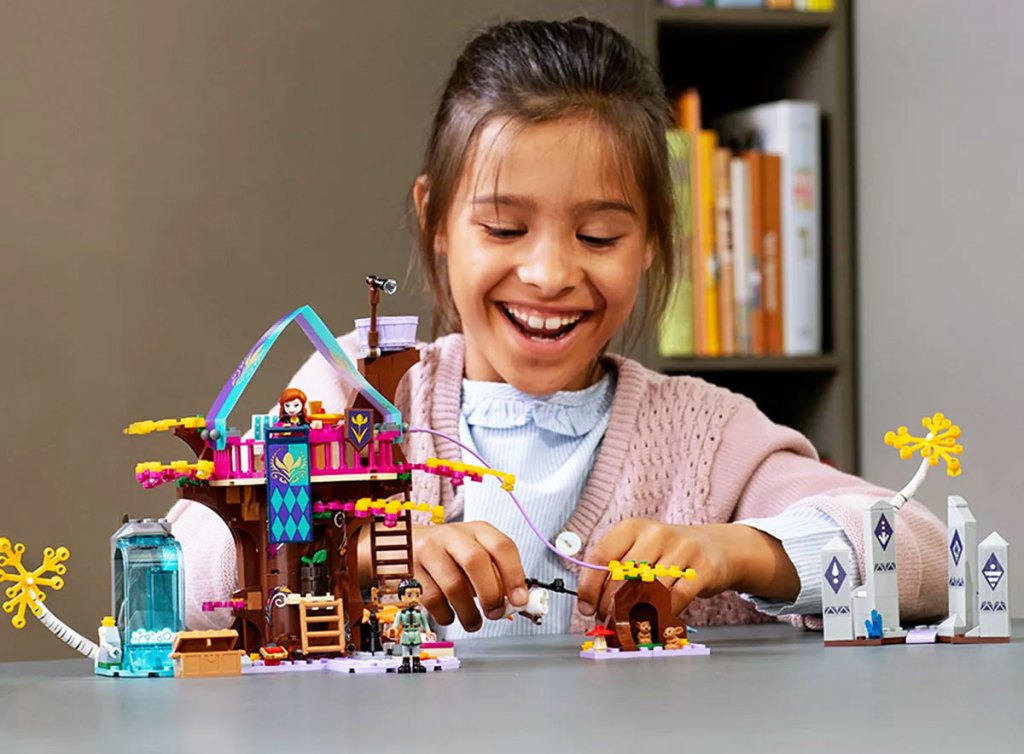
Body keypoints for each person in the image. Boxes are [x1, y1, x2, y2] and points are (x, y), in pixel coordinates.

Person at [167, 17, 946, 639]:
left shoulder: (709, 438)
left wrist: (738, 551)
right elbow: (175, 571)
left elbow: (924, 555)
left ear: (650, 242)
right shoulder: (349, 392)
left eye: (599, 237)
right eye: (504, 230)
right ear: (435, 219)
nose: (548, 275)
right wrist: (362, 556)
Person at [389, 579, 436, 673]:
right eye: (409, 595)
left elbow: (425, 624)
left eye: (417, 595)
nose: (414, 599)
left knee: (416, 650)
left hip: (415, 633)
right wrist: (393, 630)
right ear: (401, 596)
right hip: (405, 633)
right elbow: (396, 624)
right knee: (405, 650)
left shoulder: (420, 613)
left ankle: (416, 664)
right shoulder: (401, 613)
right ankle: (405, 664)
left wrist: (428, 632)